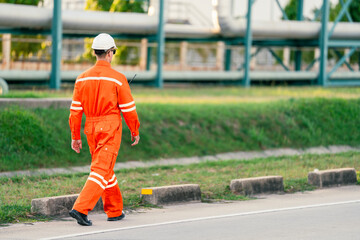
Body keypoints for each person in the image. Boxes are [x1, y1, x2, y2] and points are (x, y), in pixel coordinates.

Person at [68, 33, 140, 226]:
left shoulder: (81, 79)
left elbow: (75, 111)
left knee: (104, 169)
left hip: (90, 128)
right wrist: (134, 130)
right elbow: (128, 109)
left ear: (94, 52)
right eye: (113, 52)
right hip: (110, 127)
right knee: (101, 169)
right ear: (109, 53)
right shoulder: (118, 79)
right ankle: (80, 209)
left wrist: (75, 136)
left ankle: (115, 210)